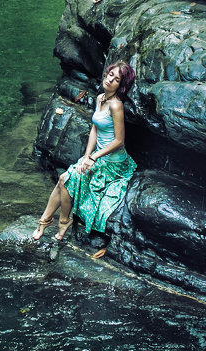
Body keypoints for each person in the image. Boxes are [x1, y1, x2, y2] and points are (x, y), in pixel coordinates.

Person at [32, 60, 138, 257]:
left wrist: (94, 157)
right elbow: (94, 130)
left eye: (116, 80)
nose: (109, 80)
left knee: (65, 179)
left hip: (114, 162)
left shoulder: (116, 105)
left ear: (120, 86)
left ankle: (60, 221)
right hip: (97, 156)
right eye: (109, 75)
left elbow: (119, 141)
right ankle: (46, 221)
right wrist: (86, 156)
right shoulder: (100, 98)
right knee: (65, 180)